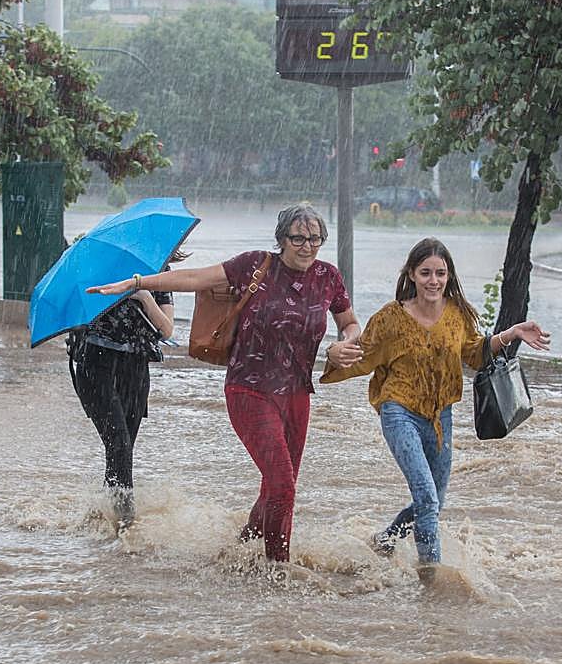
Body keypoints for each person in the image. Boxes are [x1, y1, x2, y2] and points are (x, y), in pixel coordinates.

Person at [88, 204, 363, 563]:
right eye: (298, 238)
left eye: (315, 238)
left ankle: (242, 547)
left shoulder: (328, 276)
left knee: (278, 486)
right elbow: (195, 279)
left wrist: (344, 343)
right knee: (282, 483)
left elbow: (350, 322)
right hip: (249, 389)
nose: (307, 246)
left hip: (297, 394)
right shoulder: (255, 265)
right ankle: (276, 570)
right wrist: (139, 282)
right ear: (282, 239)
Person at [320, 237, 550, 580]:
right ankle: (432, 578)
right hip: (398, 411)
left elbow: (473, 353)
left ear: (449, 276)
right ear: (412, 274)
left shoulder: (457, 314)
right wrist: (333, 353)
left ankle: (385, 541)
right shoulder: (391, 317)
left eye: (440, 273)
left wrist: (512, 332)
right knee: (427, 498)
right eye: (425, 272)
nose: (434, 280)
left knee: (433, 504)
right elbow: (361, 355)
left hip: (441, 417)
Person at [69, 250, 184, 533]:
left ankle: (105, 519)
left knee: (121, 451)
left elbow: (167, 330)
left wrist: (143, 294)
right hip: (95, 364)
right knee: (119, 443)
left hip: (135, 368)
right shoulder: (98, 267)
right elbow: (74, 314)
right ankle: (127, 526)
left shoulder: (158, 274)